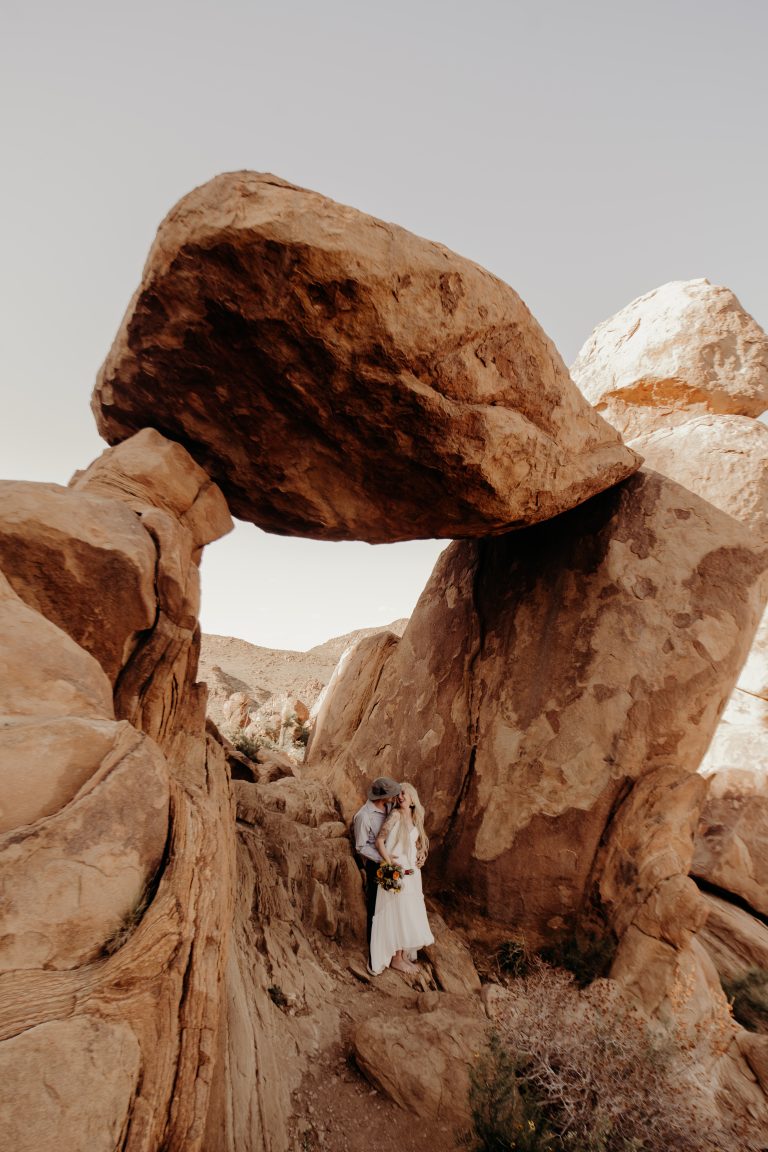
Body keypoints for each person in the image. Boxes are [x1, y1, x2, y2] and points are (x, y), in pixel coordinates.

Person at [369, 782, 434, 975]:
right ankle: (396, 958)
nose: (400, 797)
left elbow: (418, 843)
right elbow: (379, 840)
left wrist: (422, 854)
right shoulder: (395, 814)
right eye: (398, 794)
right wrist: (389, 862)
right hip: (397, 870)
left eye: (404, 793)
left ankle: (403, 955)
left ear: (413, 798)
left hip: (413, 872)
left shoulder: (415, 818)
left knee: (407, 910)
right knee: (397, 909)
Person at [353, 776, 403, 966]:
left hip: (393, 862)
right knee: (376, 906)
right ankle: (374, 950)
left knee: (393, 904)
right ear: (383, 797)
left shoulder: (390, 808)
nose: (395, 796)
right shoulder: (363, 816)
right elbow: (361, 847)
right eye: (392, 794)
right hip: (376, 865)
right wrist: (385, 858)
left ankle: (392, 947)